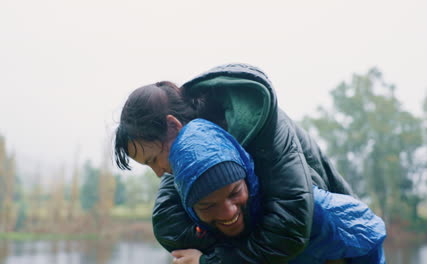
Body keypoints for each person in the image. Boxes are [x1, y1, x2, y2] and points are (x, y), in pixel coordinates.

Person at [114, 64, 358, 263]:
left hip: (343, 243)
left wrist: (212, 261)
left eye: (154, 159)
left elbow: (289, 229)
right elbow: (166, 223)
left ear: (174, 126)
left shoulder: (264, 128)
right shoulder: (185, 156)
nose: (159, 173)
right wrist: (230, 240)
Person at [169, 118, 386, 264]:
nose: (228, 213)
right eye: (208, 205)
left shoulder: (302, 210)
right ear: (191, 208)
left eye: (234, 193)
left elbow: (369, 230)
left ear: (247, 180)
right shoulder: (196, 237)